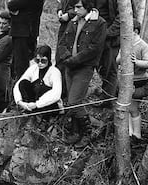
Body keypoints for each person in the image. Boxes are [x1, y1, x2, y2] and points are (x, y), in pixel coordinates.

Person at [58, 0, 107, 148]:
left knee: (74, 101)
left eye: (79, 7)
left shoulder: (99, 23)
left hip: (84, 67)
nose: (75, 10)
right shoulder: (73, 21)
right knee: (72, 101)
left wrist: (75, 60)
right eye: (74, 7)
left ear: (87, 7)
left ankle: (88, 133)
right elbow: (62, 42)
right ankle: (75, 133)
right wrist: (66, 58)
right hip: (69, 67)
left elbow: (95, 48)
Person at [94, 0, 135, 107]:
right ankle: (109, 92)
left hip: (111, 38)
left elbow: (123, 17)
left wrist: (106, 33)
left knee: (110, 68)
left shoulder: (122, 2)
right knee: (101, 67)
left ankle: (107, 101)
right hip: (97, 35)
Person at [116, 19, 148, 141]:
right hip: (125, 80)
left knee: (133, 107)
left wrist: (136, 62)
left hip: (139, 80)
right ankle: (129, 133)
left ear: (135, 31)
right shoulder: (124, 44)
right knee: (125, 107)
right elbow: (117, 60)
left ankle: (137, 134)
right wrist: (123, 57)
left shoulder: (143, 45)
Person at [13, 45, 62, 117]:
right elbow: (18, 84)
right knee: (23, 83)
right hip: (33, 102)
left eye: (43, 61)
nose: (40, 63)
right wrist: (20, 102)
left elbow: (56, 94)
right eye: (37, 60)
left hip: (48, 105)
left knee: (41, 87)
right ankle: (29, 109)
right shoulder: (33, 68)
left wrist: (37, 104)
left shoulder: (54, 72)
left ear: (49, 59)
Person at [7, 0, 44, 80]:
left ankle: (22, 88)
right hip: (23, 33)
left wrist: (12, 6)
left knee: (21, 67)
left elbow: (11, 5)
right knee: (16, 66)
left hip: (24, 34)